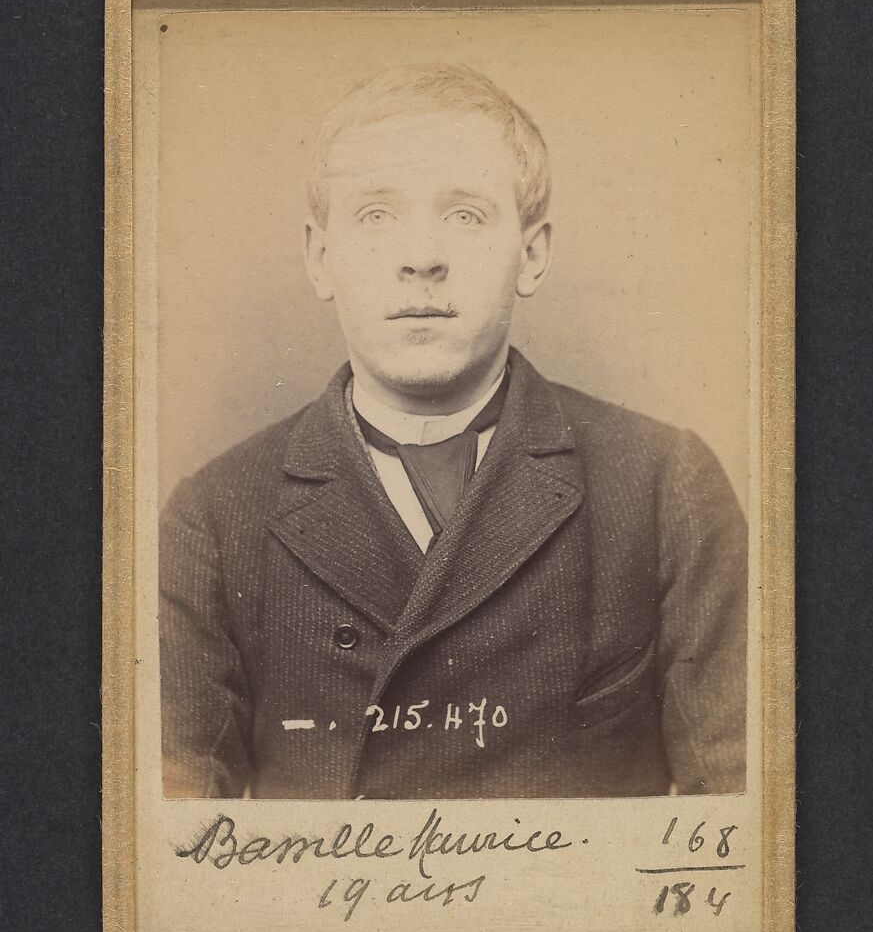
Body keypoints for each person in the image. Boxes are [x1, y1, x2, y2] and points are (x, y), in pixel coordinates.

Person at [160, 63, 747, 800]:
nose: (422, 258)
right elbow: (168, 841)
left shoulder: (664, 484)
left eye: (465, 215)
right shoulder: (215, 516)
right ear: (320, 257)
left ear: (531, 255)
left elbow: (740, 823)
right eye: (376, 215)